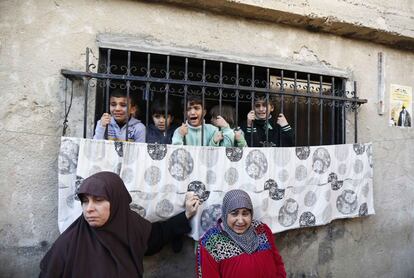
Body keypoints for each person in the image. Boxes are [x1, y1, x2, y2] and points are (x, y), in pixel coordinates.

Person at [39, 171, 200, 278]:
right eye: (85, 201)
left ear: (117, 201)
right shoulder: (69, 243)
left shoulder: (131, 225)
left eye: (99, 200)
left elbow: (156, 236)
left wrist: (186, 215)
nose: (89, 209)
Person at [196, 189, 286, 277]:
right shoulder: (211, 242)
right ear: (225, 213)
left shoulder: (261, 229)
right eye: (234, 213)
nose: (240, 221)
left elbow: (278, 263)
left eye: (245, 213)